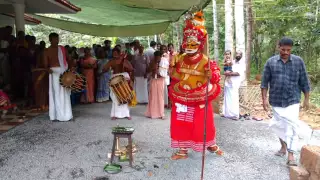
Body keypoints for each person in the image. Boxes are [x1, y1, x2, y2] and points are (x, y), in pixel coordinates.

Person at [168, 12, 222, 160]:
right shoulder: (180, 59)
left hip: (200, 97)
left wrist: (213, 74)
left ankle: (210, 144)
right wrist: (172, 70)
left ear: (200, 45)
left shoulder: (206, 60)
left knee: (203, 123)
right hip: (183, 97)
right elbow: (176, 76)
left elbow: (216, 75)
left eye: (194, 44)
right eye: (187, 44)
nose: (190, 46)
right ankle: (183, 149)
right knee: (182, 122)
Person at [261, 37, 311, 166]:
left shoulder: (298, 61)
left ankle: (291, 155)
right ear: (279, 47)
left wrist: (306, 99)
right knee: (279, 126)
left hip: (293, 100)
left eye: (288, 50)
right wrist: (264, 100)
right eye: (283, 49)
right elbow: (264, 83)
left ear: (291, 49)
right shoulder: (270, 62)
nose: (286, 52)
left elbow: (304, 81)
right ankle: (283, 146)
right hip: (276, 101)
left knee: (292, 127)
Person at [44, 33, 73, 122]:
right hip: (54, 73)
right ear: (50, 40)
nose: (57, 41)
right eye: (54, 39)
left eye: (57, 39)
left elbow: (69, 59)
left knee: (64, 93)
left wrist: (70, 70)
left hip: (63, 71)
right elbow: (46, 65)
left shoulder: (62, 49)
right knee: (56, 93)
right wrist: (49, 70)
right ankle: (56, 115)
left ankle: (67, 115)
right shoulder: (46, 51)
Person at [102, 48, 133, 120]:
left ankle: (127, 114)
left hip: (123, 77)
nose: (114, 55)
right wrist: (107, 68)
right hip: (114, 77)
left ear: (119, 53)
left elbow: (131, 69)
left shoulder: (124, 60)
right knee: (115, 97)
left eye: (116, 53)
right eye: (113, 53)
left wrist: (125, 65)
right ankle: (114, 114)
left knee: (125, 95)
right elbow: (104, 69)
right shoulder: (111, 61)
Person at [222, 51, 245, 120]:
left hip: (235, 83)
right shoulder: (233, 61)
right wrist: (226, 73)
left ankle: (235, 115)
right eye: (237, 54)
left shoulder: (242, 63)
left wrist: (229, 74)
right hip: (228, 82)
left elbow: (238, 73)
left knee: (234, 98)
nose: (238, 55)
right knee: (227, 97)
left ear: (241, 56)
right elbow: (226, 68)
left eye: (239, 54)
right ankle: (226, 113)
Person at [145, 51, 166, 119]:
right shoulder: (152, 62)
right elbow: (147, 70)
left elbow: (166, 72)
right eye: (156, 57)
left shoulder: (163, 62)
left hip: (160, 80)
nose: (157, 59)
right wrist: (152, 68)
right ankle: (152, 113)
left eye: (158, 57)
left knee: (160, 97)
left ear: (161, 57)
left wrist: (160, 72)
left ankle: (161, 114)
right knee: (153, 97)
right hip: (153, 80)